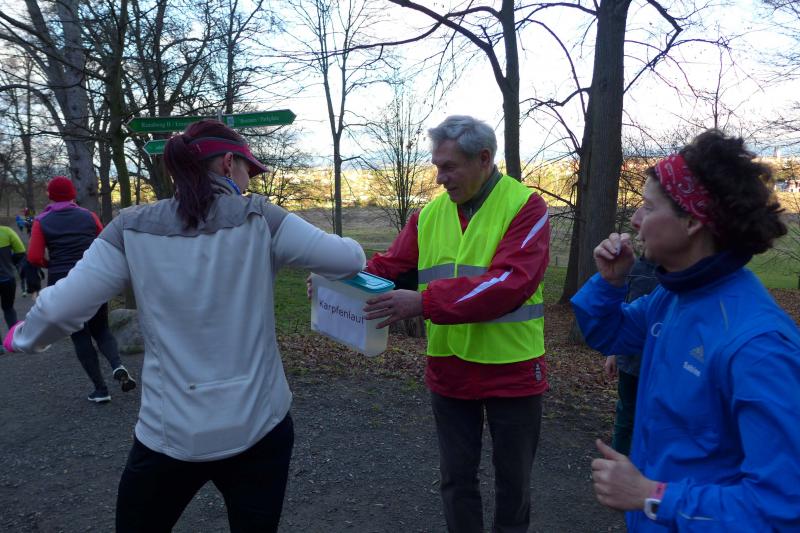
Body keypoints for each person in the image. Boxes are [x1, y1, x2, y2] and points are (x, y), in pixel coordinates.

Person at [5, 119, 365, 532]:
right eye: (248, 170)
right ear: (228, 164)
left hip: (169, 434)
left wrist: (22, 338)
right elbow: (348, 260)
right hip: (260, 428)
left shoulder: (131, 227)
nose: (250, 181)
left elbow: (59, 310)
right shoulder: (260, 218)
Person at [571, 129, 800, 531]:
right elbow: (610, 334)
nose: (635, 220)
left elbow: (781, 506)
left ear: (692, 220)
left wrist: (651, 495)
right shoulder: (674, 296)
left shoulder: (758, 345)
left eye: (648, 207)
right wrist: (610, 283)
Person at [361, 115, 550, 533]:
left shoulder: (526, 206)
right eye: (437, 166)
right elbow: (389, 266)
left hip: (511, 368)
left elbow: (511, 283)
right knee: (456, 480)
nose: (439, 178)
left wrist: (424, 302)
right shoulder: (428, 215)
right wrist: (336, 283)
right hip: (449, 367)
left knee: (513, 484)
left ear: (483, 159)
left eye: (449, 167)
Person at [26, 176, 136, 403]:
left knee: (79, 334)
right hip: (92, 277)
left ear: (50, 195)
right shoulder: (89, 216)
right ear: (73, 194)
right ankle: (117, 365)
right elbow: (106, 242)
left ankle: (101, 390)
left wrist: (51, 264)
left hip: (62, 281)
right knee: (101, 328)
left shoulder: (41, 221)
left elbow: (34, 257)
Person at [602, 256, 658, 456]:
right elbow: (621, 310)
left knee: (653, 420)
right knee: (625, 416)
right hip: (629, 359)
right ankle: (617, 461)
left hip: (658, 363)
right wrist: (612, 352)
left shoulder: (674, 271)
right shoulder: (632, 268)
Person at [0, 225, 25, 331]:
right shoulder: (7, 231)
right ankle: (14, 337)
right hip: (7, 278)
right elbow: (21, 252)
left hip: (7, 278)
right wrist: (10, 263)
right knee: (9, 309)